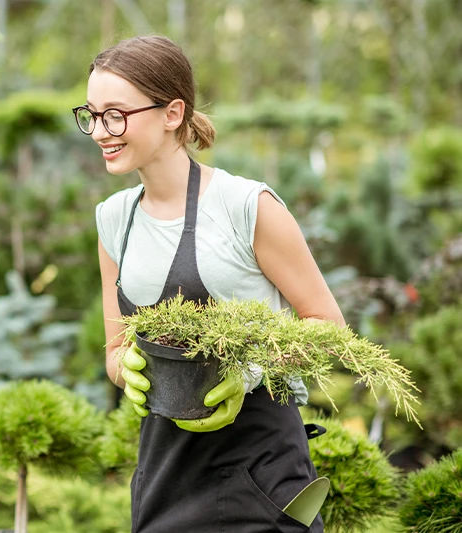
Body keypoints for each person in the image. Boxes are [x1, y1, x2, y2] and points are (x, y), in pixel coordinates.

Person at [78, 36, 346, 532]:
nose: (99, 131)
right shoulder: (114, 220)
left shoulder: (247, 207)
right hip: (166, 474)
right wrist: (127, 371)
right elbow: (115, 348)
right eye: (91, 114)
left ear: (172, 113)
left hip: (262, 476)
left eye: (115, 114)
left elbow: (327, 326)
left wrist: (246, 373)